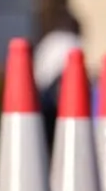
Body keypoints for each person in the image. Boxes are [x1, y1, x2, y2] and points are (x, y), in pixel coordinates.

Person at [32, 10, 84, 147]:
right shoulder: (72, 42)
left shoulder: (49, 40)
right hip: (57, 95)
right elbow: (74, 73)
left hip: (40, 93)